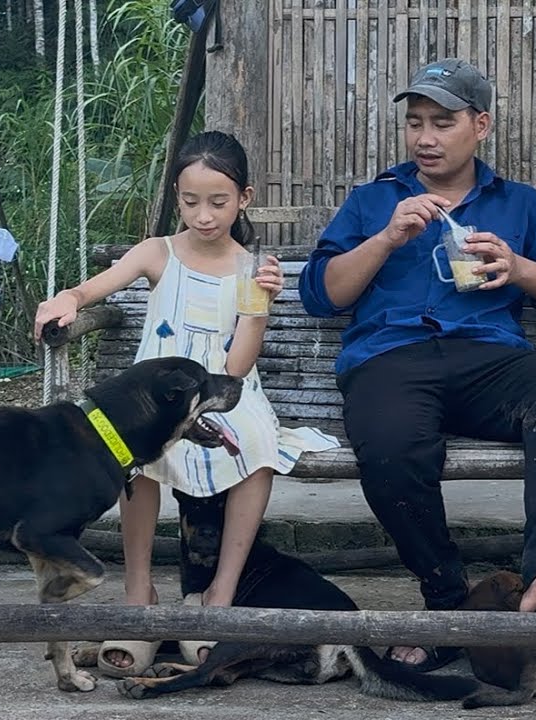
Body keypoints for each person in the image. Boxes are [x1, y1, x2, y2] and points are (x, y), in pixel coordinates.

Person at [298, 59, 536, 672]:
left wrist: (518, 269)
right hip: (392, 358)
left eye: (443, 122)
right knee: (388, 445)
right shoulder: (375, 200)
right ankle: (446, 597)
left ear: (479, 125)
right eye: (414, 124)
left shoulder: (518, 204)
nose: (425, 138)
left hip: (487, 360)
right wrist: (385, 239)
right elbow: (320, 294)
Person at [34, 130, 339, 677]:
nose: (203, 215)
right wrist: (67, 297)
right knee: (140, 449)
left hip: (221, 393)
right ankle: (138, 593)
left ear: (244, 199)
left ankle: (219, 595)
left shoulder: (251, 268)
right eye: (191, 201)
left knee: (258, 442)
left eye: (218, 203)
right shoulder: (159, 252)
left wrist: (261, 307)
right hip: (152, 395)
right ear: (177, 197)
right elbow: (93, 289)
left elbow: (238, 369)